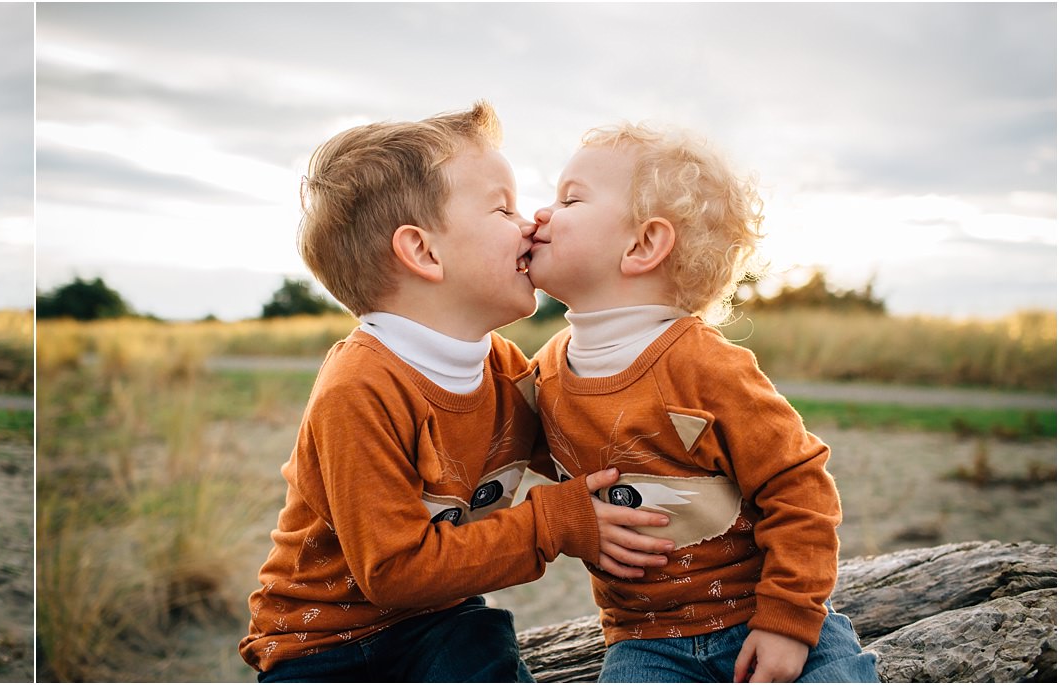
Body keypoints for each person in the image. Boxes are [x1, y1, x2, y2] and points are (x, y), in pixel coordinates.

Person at [238, 102, 673, 682]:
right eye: (502, 207)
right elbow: (392, 569)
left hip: (440, 619)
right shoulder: (361, 386)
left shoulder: (508, 371)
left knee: (480, 638)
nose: (530, 223)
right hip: (321, 643)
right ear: (423, 252)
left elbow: (587, 450)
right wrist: (552, 524)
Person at [524, 122, 878, 682]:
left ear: (643, 244)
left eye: (569, 199)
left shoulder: (706, 366)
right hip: (647, 642)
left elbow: (798, 485)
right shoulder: (543, 372)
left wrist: (787, 620)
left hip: (759, 611)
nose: (539, 214)